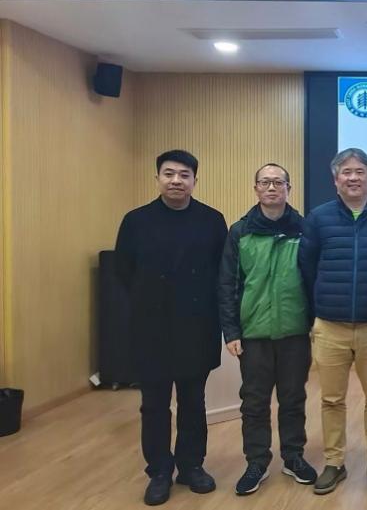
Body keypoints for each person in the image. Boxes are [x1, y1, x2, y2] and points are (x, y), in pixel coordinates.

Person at [114, 150, 228, 506]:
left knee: (193, 402)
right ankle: (160, 471)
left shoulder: (212, 220)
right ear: (158, 178)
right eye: (169, 173)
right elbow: (123, 271)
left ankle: (191, 466)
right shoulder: (136, 221)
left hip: (197, 326)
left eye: (184, 175)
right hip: (151, 328)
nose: (176, 180)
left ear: (195, 180)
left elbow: (221, 272)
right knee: (154, 405)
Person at [298, 148, 367, 495]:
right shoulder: (318, 218)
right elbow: (307, 266)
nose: (353, 178)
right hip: (329, 326)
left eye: (360, 172)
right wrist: (321, 305)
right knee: (331, 399)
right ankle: (334, 462)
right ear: (336, 179)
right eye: (347, 172)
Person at [218, 163, 317, 495]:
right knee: (254, 402)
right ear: (256, 188)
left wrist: (315, 323)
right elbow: (228, 284)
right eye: (265, 182)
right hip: (253, 333)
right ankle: (256, 462)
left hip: (295, 331)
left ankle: (293, 457)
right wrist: (231, 331)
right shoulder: (240, 232)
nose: (272, 187)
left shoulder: (304, 230)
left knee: (293, 398)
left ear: (289, 188)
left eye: (278, 182)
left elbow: (314, 280)